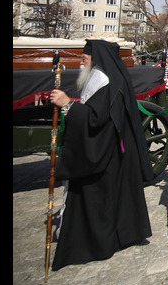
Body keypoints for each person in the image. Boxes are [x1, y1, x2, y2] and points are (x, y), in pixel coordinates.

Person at [48, 39, 153, 271]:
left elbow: (97, 121)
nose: (81, 60)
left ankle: (101, 240)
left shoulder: (104, 80)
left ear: (96, 58)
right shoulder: (99, 76)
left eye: (84, 57)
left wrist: (68, 105)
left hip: (107, 153)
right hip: (110, 151)